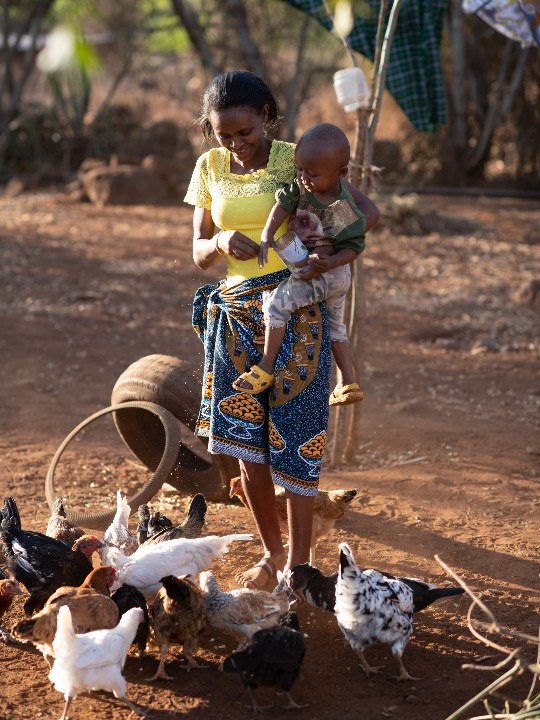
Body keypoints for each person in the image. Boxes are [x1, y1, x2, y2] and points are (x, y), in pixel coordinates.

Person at [184, 70, 379, 592]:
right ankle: (272, 555)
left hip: (299, 317)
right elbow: (198, 253)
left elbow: (360, 210)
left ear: (266, 117)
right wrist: (223, 239)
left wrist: (328, 252)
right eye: (224, 135)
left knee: (297, 440)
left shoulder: (299, 157)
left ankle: (298, 564)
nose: (236, 144)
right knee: (245, 444)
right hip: (234, 321)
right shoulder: (208, 168)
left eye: (245, 132)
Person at [233, 122, 366, 407]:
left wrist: (329, 261)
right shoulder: (302, 187)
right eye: (301, 169)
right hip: (332, 273)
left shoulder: (342, 207)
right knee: (336, 326)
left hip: (329, 273)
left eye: (312, 173)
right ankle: (348, 382)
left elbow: (354, 248)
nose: (304, 178)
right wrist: (268, 233)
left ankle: (266, 367)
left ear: (341, 173)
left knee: (276, 304)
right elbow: (281, 206)